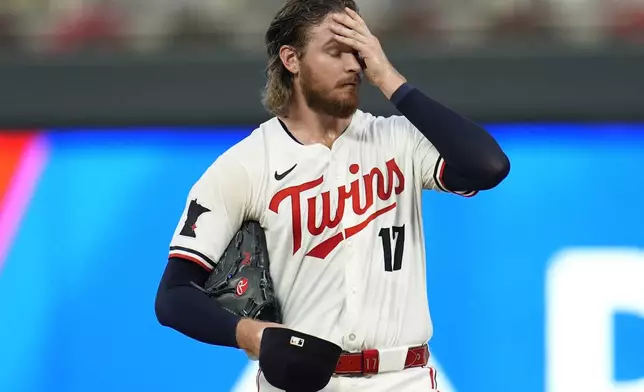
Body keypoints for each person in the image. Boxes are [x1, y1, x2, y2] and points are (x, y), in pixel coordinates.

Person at [155, 0, 510, 390]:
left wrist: (390, 77)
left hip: (404, 377)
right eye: (336, 51)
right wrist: (251, 334)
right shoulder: (246, 164)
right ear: (291, 59)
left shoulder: (398, 140)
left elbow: (488, 166)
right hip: (301, 381)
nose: (355, 65)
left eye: (359, 51)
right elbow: (173, 294)